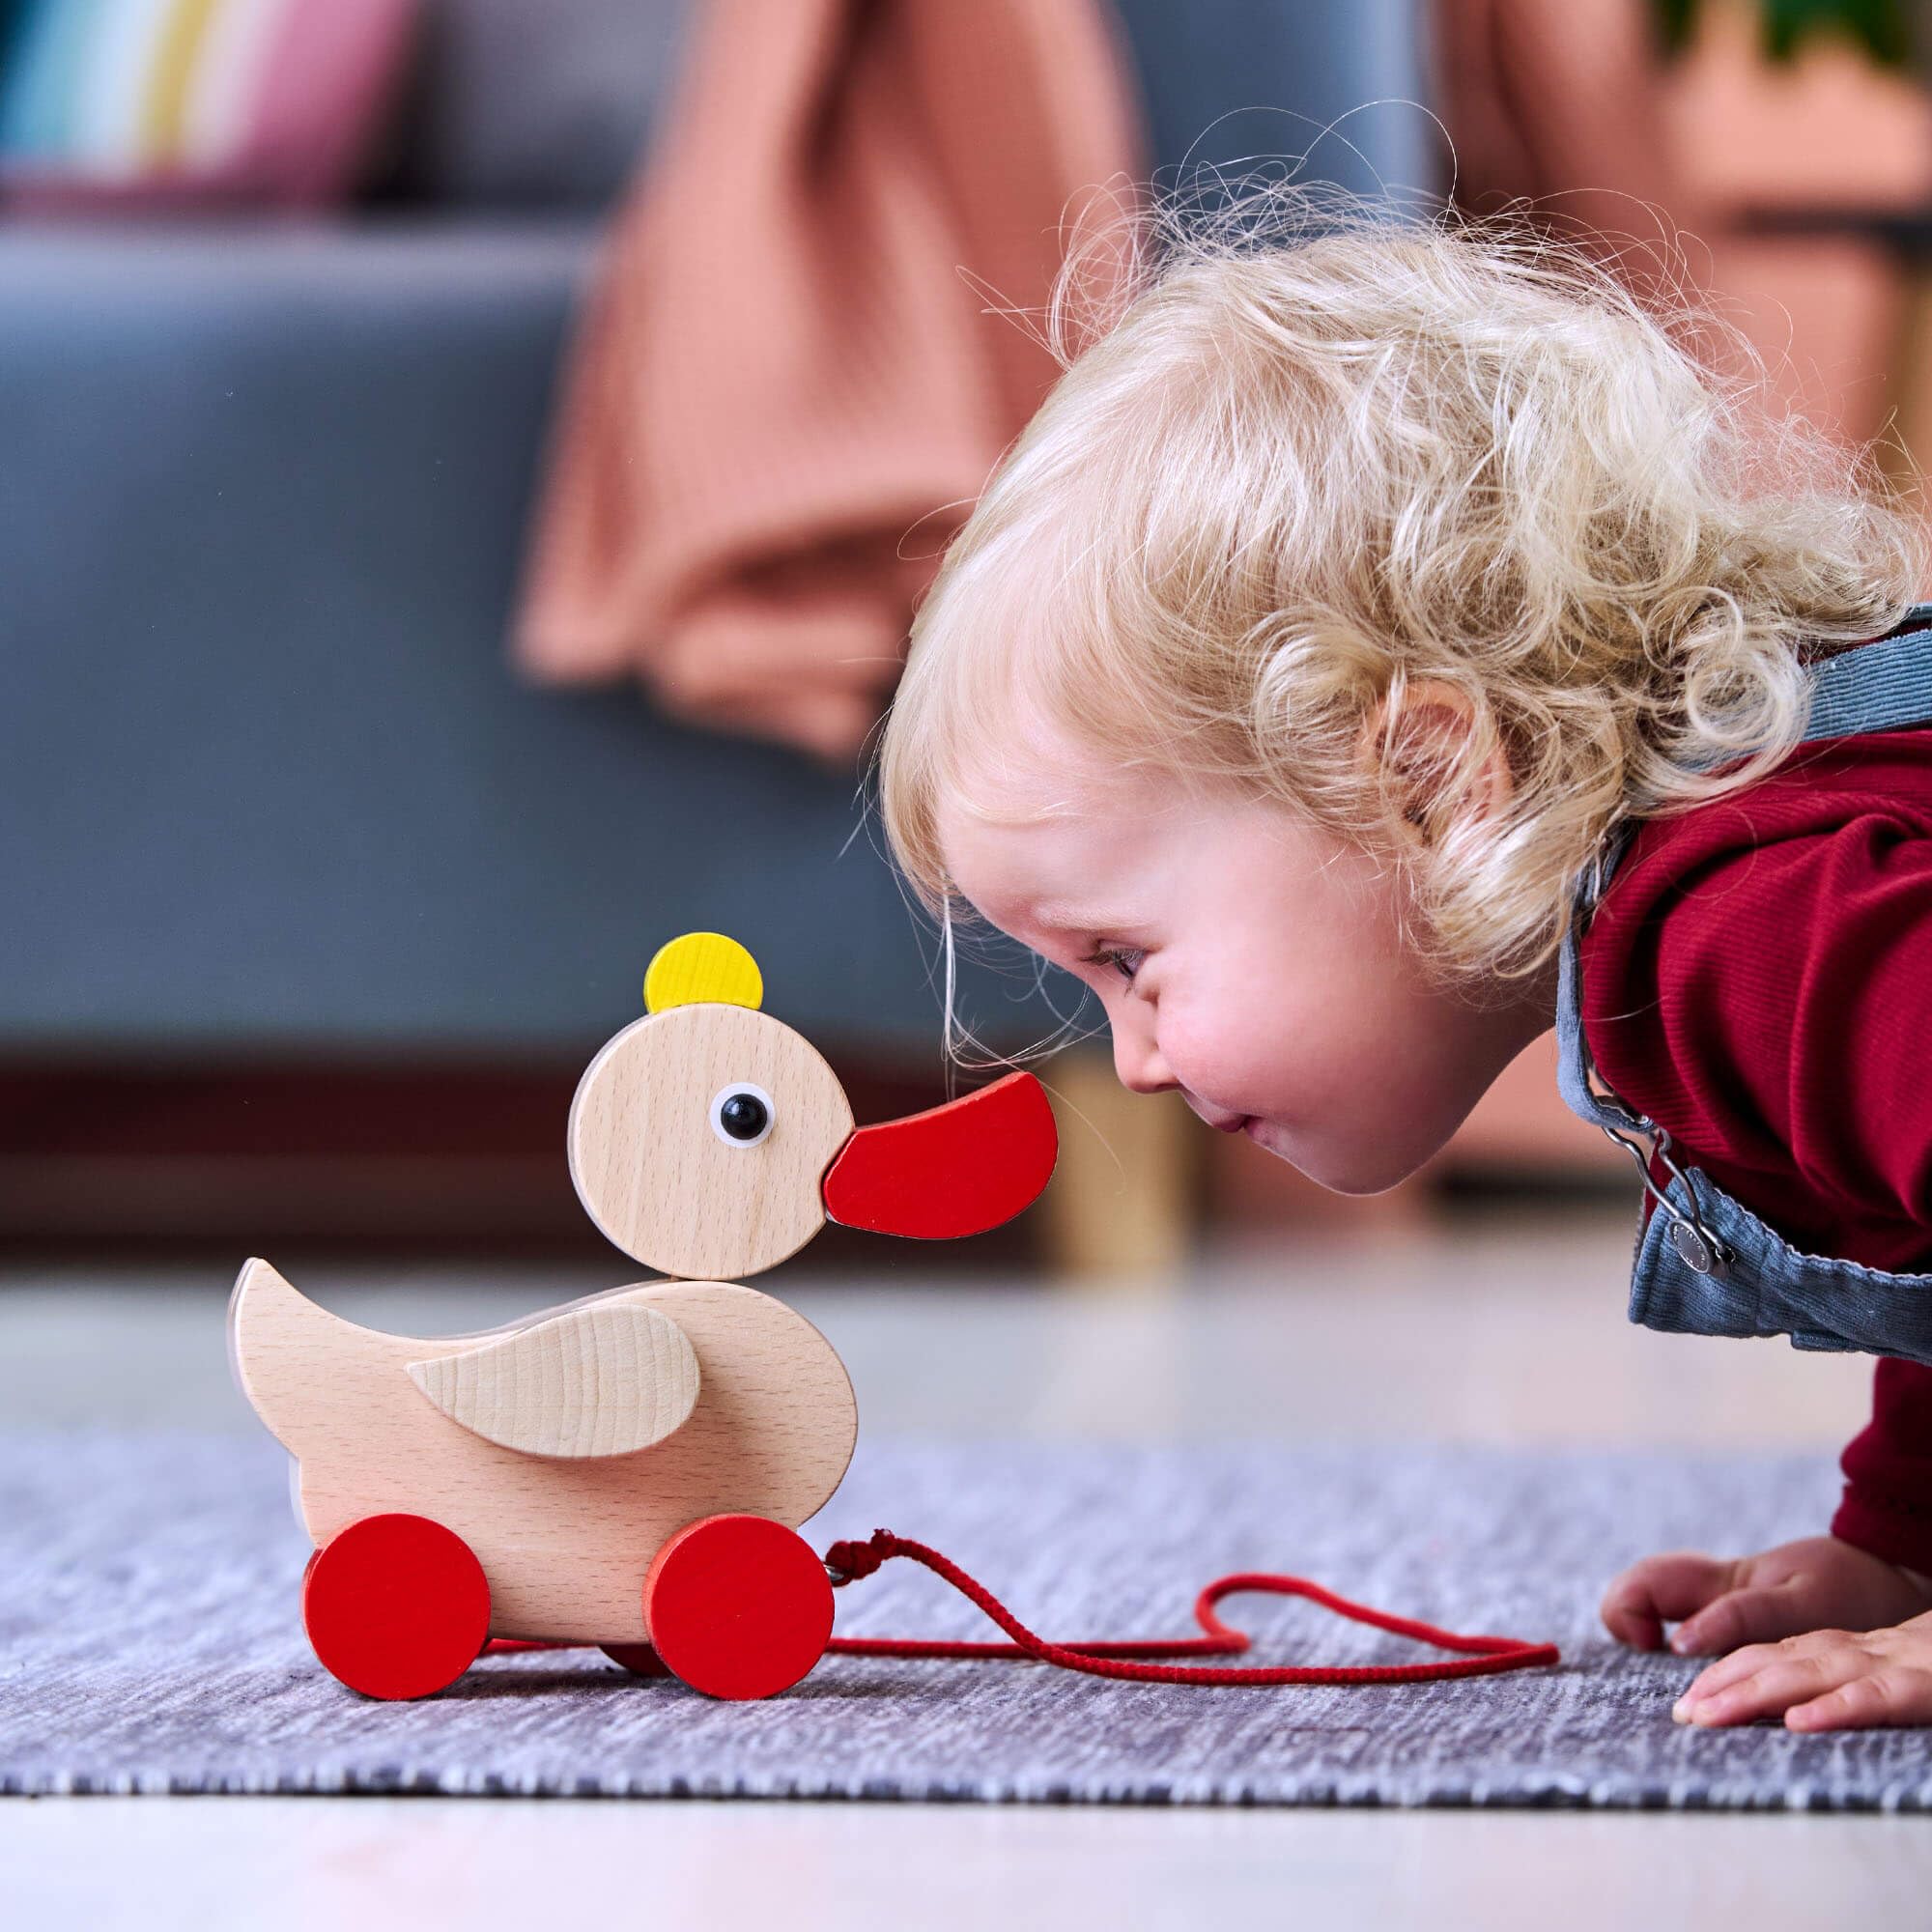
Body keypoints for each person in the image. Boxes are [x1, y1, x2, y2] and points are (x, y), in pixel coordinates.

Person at [875, 182, 1932, 1731]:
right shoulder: (1731, 898)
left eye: (1129, 954)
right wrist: (1898, 1543)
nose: (1138, 1057)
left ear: (1430, 784)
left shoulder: (1757, 919)